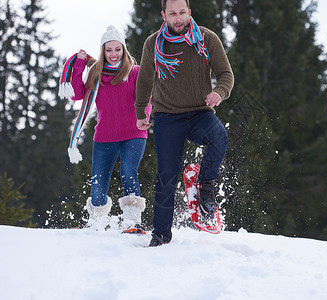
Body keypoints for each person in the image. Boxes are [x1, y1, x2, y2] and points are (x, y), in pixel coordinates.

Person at [135, 0, 234, 246]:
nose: (178, 18)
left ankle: (206, 185)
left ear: (189, 13)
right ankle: (160, 235)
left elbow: (226, 74)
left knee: (219, 136)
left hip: (200, 112)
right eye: (172, 14)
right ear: (164, 15)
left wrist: (219, 92)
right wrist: (140, 112)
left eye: (182, 13)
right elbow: (145, 80)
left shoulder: (207, 39)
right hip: (167, 116)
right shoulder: (153, 44)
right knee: (167, 175)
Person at [58, 25, 152, 230]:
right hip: (104, 136)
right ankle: (96, 224)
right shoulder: (96, 75)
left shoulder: (135, 72)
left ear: (124, 50)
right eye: (108, 50)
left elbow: (146, 96)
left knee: (128, 171)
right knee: (98, 182)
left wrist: (143, 116)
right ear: (102, 51)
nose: (113, 54)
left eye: (117, 49)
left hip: (134, 133)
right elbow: (76, 94)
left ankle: (132, 222)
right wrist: (80, 65)